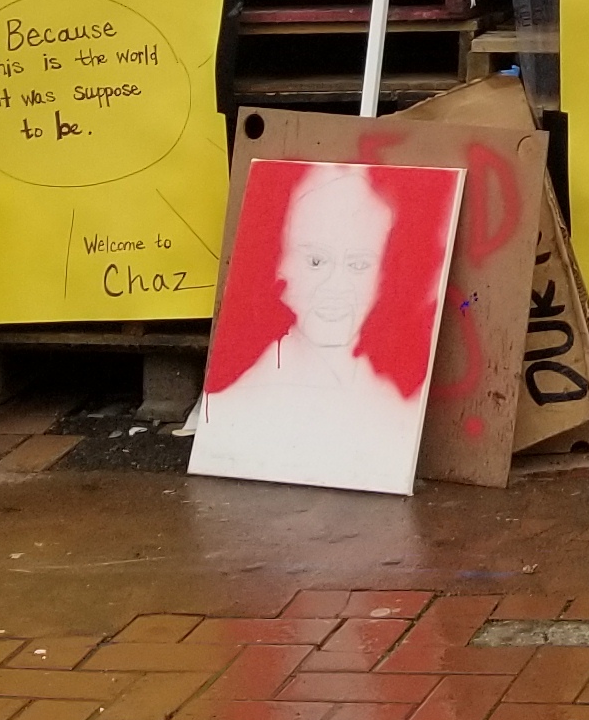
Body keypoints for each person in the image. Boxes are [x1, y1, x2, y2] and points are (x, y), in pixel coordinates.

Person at [189, 160, 453, 492]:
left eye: (358, 264)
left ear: (381, 274)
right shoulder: (238, 406)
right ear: (283, 266)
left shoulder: (396, 408)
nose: (336, 285)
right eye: (316, 261)